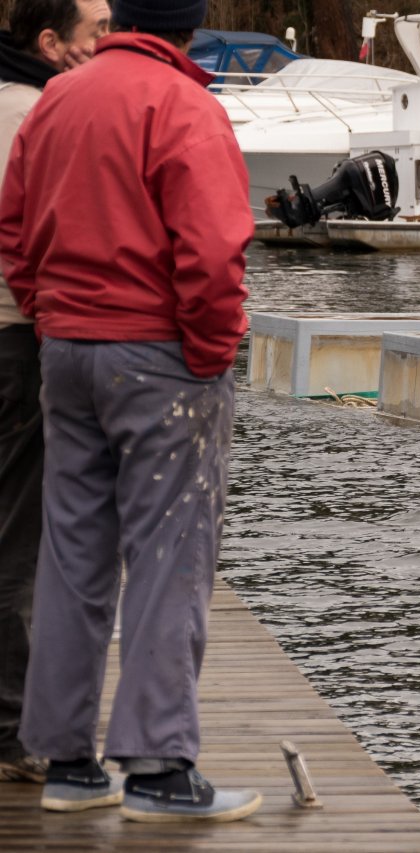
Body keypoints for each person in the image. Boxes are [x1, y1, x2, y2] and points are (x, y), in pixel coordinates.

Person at [0, 0, 261, 822]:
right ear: (190, 28)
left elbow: (13, 228)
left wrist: (46, 312)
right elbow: (214, 250)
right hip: (156, 355)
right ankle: (157, 767)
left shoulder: (58, 96)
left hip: (66, 349)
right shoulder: (184, 104)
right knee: (169, 549)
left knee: (71, 550)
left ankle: (67, 760)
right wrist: (213, 349)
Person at [0, 0, 108, 788]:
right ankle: (13, 728)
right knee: (20, 534)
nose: (109, 41)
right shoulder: (38, 113)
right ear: (51, 43)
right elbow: (49, 241)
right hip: (16, 338)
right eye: (98, 30)